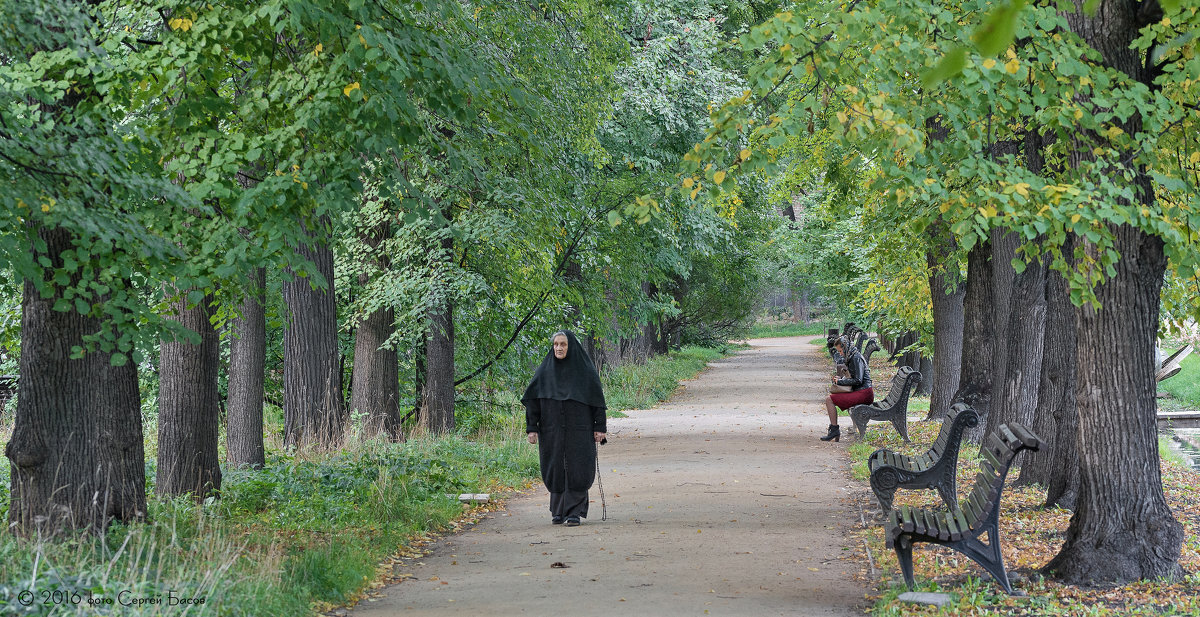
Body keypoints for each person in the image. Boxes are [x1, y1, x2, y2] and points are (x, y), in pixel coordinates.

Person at [523, 330, 608, 526]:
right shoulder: (544, 372)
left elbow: (597, 402)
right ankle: (558, 511)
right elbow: (533, 402)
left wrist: (600, 427)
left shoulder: (585, 372)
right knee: (555, 468)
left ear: (571, 347)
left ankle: (574, 513)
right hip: (551, 430)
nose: (559, 348)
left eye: (563, 344)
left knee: (578, 468)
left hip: (580, 430)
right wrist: (532, 428)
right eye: (556, 345)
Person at [821, 335, 873, 442]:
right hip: (860, 391)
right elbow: (854, 377)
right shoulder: (852, 356)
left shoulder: (856, 358)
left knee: (829, 400)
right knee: (829, 399)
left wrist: (840, 381)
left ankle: (834, 429)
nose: (840, 354)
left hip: (864, 392)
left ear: (845, 347)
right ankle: (834, 429)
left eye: (840, 351)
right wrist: (841, 378)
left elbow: (858, 380)